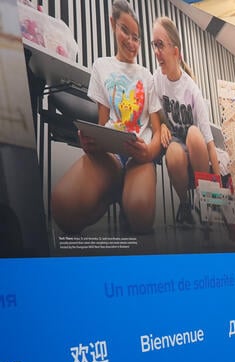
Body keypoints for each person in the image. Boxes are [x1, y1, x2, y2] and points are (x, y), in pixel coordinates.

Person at [50, 0, 163, 236]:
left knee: (141, 217)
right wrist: (91, 143)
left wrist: (149, 154)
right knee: (62, 208)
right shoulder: (101, 67)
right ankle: (114, 191)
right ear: (113, 24)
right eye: (125, 31)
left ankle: (126, 192)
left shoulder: (148, 77)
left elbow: (157, 129)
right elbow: (102, 123)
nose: (131, 42)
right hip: (111, 156)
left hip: (139, 157)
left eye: (136, 37)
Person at [150, 15, 219, 226]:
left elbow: (208, 141)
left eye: (160, 45)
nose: (156, 52)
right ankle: (185, 205)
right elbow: (155, 114)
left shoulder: (192, 89)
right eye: (154, 45)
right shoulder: (157, 80)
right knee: (172, 149)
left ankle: (205, 200)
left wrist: (219, 187)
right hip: (176, 147)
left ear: (175, 51)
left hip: (196, 148)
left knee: (194, 133)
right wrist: (162, 124)